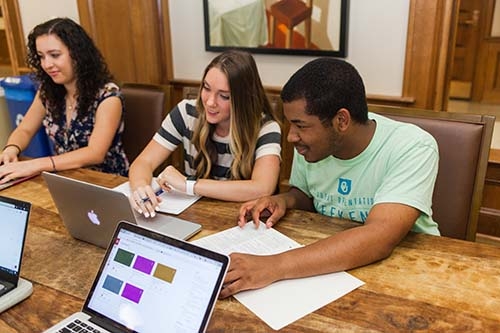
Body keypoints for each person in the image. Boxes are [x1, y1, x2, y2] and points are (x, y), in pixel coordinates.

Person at [219, 57, 440, 299]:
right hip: (328, 272)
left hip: (409, 275)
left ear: (341, 121)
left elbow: (380, 237)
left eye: (300, 126)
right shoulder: (310, 146)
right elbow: (305, 194)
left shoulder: (413, 146)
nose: (291, 136)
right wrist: (284, 201)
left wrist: (273, 266)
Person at [128, 50, 281, 218]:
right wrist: (141, 187)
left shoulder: (265, 127)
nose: (209, 102)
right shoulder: (186, 112)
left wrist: (188, 185)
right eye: (206, 88)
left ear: (243, 99)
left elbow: (263, 187)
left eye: (224, 96)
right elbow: (143, 162)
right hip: (193, 214)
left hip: (239, 219)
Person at [0, 17, 129, 183]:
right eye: (41, 56)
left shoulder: (108, 96)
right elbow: (25, 129)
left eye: (54, 55)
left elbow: (95, 153)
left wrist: (37, 164)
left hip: (109, 183)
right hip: (66, 180)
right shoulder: (48, 92)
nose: (47, 64)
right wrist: (11, 148)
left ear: (77, 55)